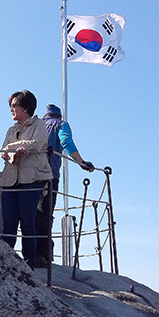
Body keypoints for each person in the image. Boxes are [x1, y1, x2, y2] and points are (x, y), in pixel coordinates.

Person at [34, 104, 95, 268]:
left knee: (33, 213)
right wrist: (81, 162)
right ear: (59, 116)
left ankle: (31, 252)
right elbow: (66, 141)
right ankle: (43, 254)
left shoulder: (36, 124)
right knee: (46, 213)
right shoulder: (61, 125)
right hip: (50, 174)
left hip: (30, 175)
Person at [0, 90, 53, 269]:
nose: (11, 109)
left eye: (14, 105)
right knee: (9, 224)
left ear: (26, 107)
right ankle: (6, 264)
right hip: (10, 179)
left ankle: (29, 266)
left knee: (28, 223)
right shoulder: (11, 129)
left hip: (32, 179)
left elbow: (36, 143)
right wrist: (14, 152)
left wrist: (13, 146)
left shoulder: (40, 124)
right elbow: (3, 151)